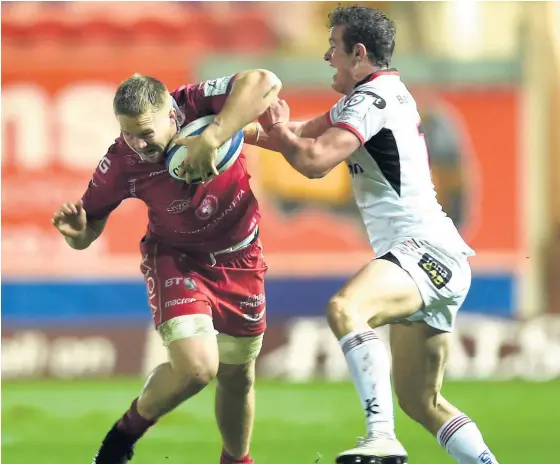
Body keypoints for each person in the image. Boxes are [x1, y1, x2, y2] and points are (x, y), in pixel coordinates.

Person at [256, 5, 499, 464]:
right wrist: (222, 135)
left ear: (358, 52)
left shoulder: (371, 100)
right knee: (422, 403)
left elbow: (312, 162)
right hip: (437, 258)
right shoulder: (378, 94)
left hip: (422, 253)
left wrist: (276, 135)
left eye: (333, 48)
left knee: (347, 308)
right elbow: (295, 133)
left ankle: (381, 436)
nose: (327, 57)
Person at [51, 70, 281, 464]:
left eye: (145, 132)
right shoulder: (121, 163)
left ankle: (237, 461)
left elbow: (265, 80)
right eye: (127, 133)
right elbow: (86, 231)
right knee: (197, 368)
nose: (137, 144)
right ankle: (121, 439)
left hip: (241, 257)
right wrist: (75, 233)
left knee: (238, 375)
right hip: (177, 259)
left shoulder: (196, 103)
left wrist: (212, 137)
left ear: (172, 115)